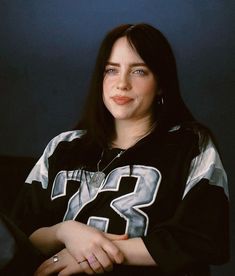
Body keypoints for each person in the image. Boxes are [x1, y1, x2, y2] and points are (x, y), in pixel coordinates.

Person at [11, 23, 229, 276]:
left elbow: (204, 239)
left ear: (160, 83)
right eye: (111, 70)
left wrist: (91, 252)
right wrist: (66, 231)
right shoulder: (63, 147)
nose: (121, 83)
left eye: (139, 71)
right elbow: (18, 234)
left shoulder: (191, 145)